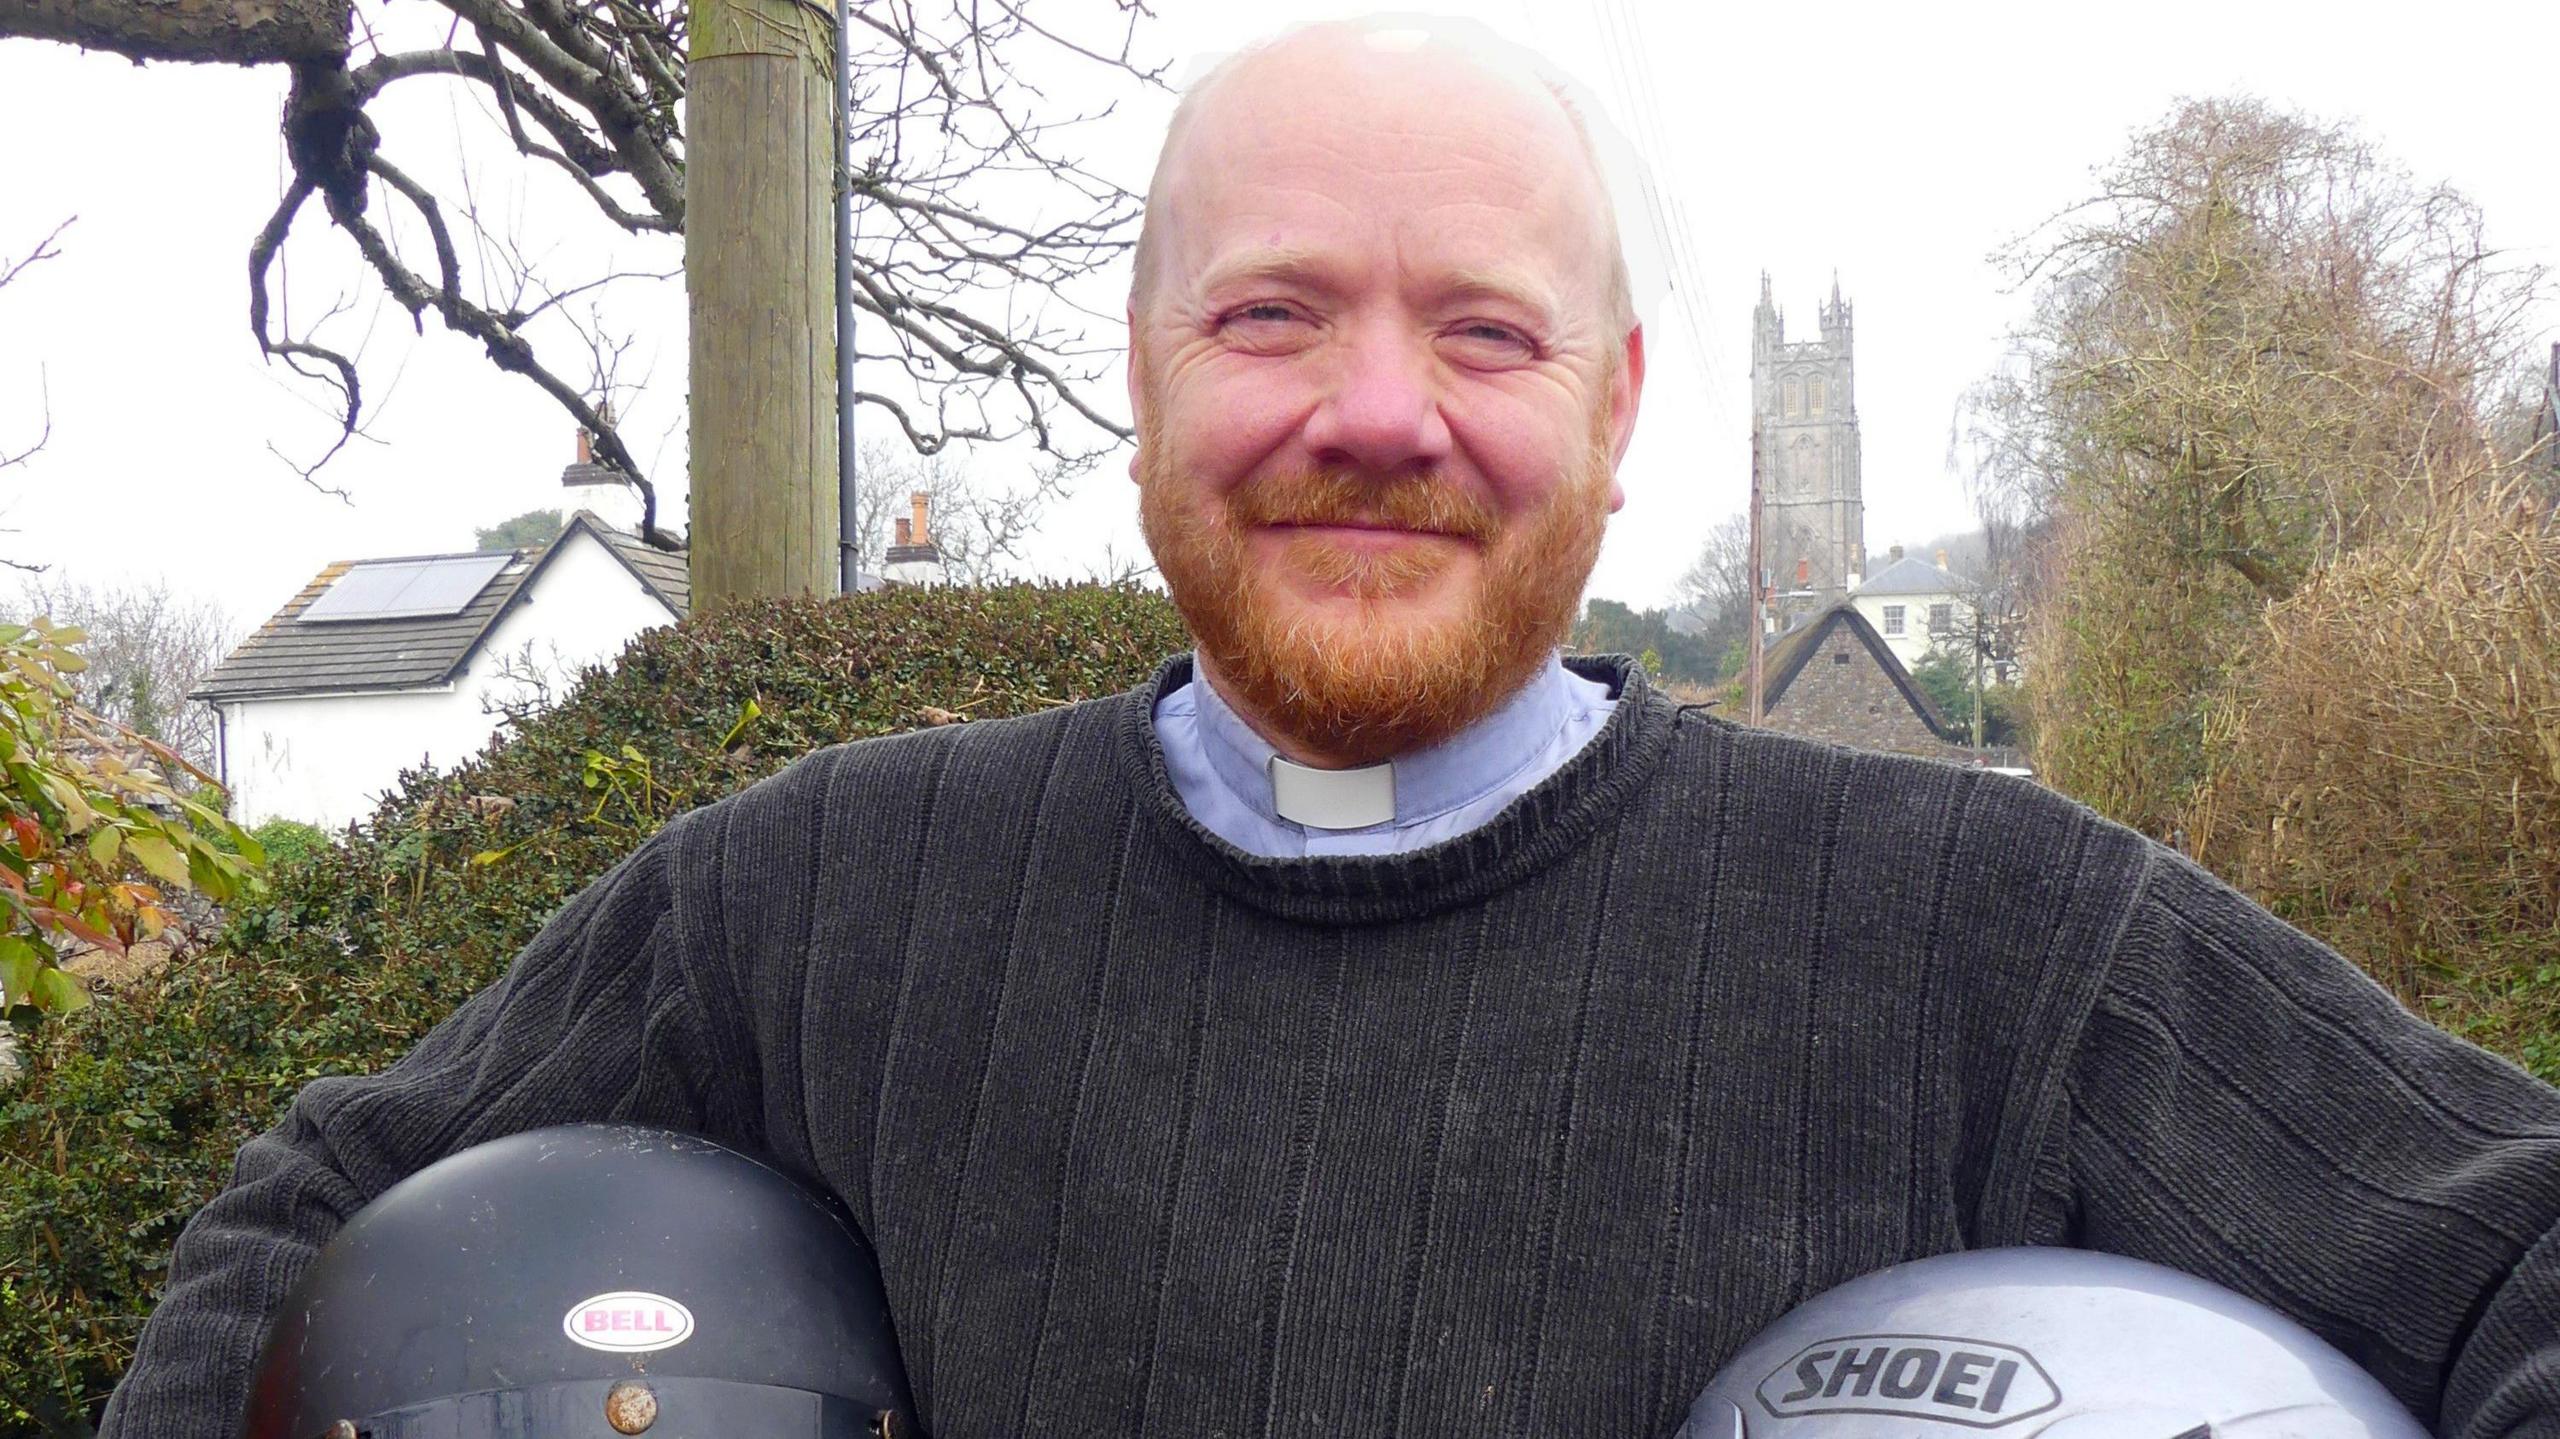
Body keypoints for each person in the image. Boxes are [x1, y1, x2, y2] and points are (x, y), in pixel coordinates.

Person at [104, 17, 2560, 1438]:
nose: (1375, 414)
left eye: (1481, 334)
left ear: (1610, 411)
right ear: (1146, 371)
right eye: (1272, 315)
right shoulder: (806, 900)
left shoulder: (1999, 937)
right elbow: (313, 1224)